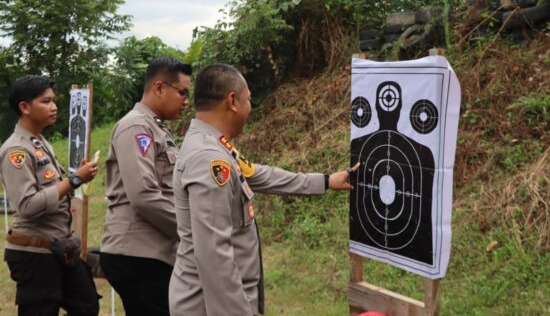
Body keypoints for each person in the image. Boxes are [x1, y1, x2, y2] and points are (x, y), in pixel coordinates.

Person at [169, 64, 359, 316]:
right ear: (233, 101)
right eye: (249, 100)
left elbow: (258, 174)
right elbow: (215, 259)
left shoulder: (216, 146)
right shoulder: (209, 160)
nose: (251, 108)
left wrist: (325, 181)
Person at [0, 75, 100, 316]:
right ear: (24, 107)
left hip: (58, 249)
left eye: (54, 101)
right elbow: (27, 205)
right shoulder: (17, 150)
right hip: (35, 254)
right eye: (46, 101)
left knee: (86, 305)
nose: (54, 107)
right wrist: (75, 179)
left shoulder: (40, 142)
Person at [99, 57, 192, 315]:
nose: (187, 101)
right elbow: (144, 194)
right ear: (159, 88)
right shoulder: (137, 126)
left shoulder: (157, 128)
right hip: (137, 253)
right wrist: (191, 227)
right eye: (182, 93)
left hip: (152, 252)